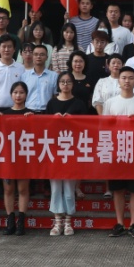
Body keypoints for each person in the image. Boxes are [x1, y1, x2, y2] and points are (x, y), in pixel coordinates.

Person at [102, 66, 134, 238]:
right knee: (118, 189)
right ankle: (120, 223)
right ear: (119, 80)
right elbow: (104, 127)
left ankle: (133, 224)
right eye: (124, 78)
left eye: (131, 78)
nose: (127, 81)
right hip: (117, 150)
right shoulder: (110, 103)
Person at [45, 72, 91, 236]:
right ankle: (57, 221)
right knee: (56, 188)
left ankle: (68, 221)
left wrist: (73, 120)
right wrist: (53, 119)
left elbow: (86, 126)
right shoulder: (52, 103)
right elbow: (44, 126)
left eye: (68, 82)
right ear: (58, 84)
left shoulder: (79, 103)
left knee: (69, 188)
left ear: (73, 84)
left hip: (72, 149)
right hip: (54, 149)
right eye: (62, 82)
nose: (65, 84)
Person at [0, 81, 34, 235]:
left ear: (26, 95)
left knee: (22, 189)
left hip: (24, 156)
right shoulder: (3, 114)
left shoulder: (31, 114)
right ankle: (10, 220)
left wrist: (32, 120)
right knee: (8, 189)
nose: (18, 95)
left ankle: (21, 222)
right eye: (15, 92)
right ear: (11, 94)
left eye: (21, 92)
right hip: (7, 156)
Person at [21, 46, 58, 112]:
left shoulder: (54, 76)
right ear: (32, 56)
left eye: (42, 54)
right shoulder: (24, 76)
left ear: (47, 57)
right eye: (36, 54)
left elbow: (56, 96)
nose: (38, 57)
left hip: (47, 112)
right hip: (28, 112)